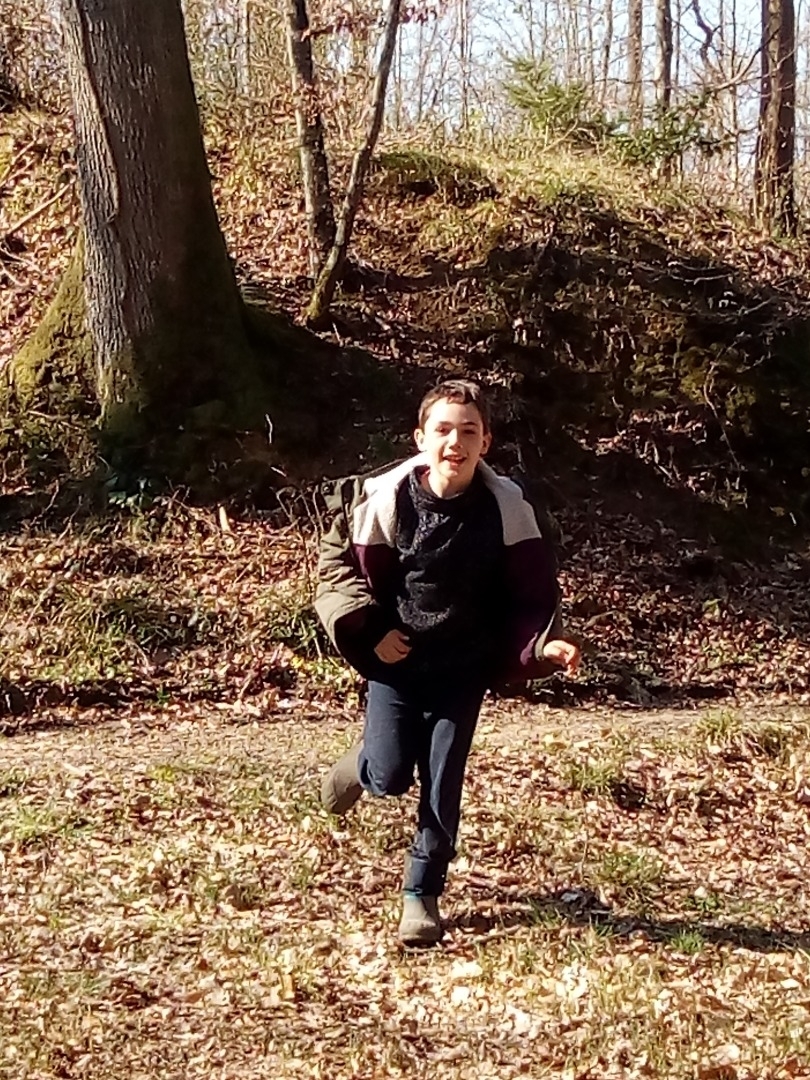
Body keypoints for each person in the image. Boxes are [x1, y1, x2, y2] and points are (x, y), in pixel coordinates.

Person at [314, 379, 580, 946]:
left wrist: (541, 646)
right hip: (397, 661)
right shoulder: (380, 501)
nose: (454, 443)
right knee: (389, 776)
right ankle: (362, 766)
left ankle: (421, 893)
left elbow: (531, 593)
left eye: (468, 431)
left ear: (486, 442)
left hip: (463, 668)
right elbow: (336, 571)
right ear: (420, 438)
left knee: (442, 782)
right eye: (443, 430)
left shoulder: (508, 509)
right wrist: (373, 631)